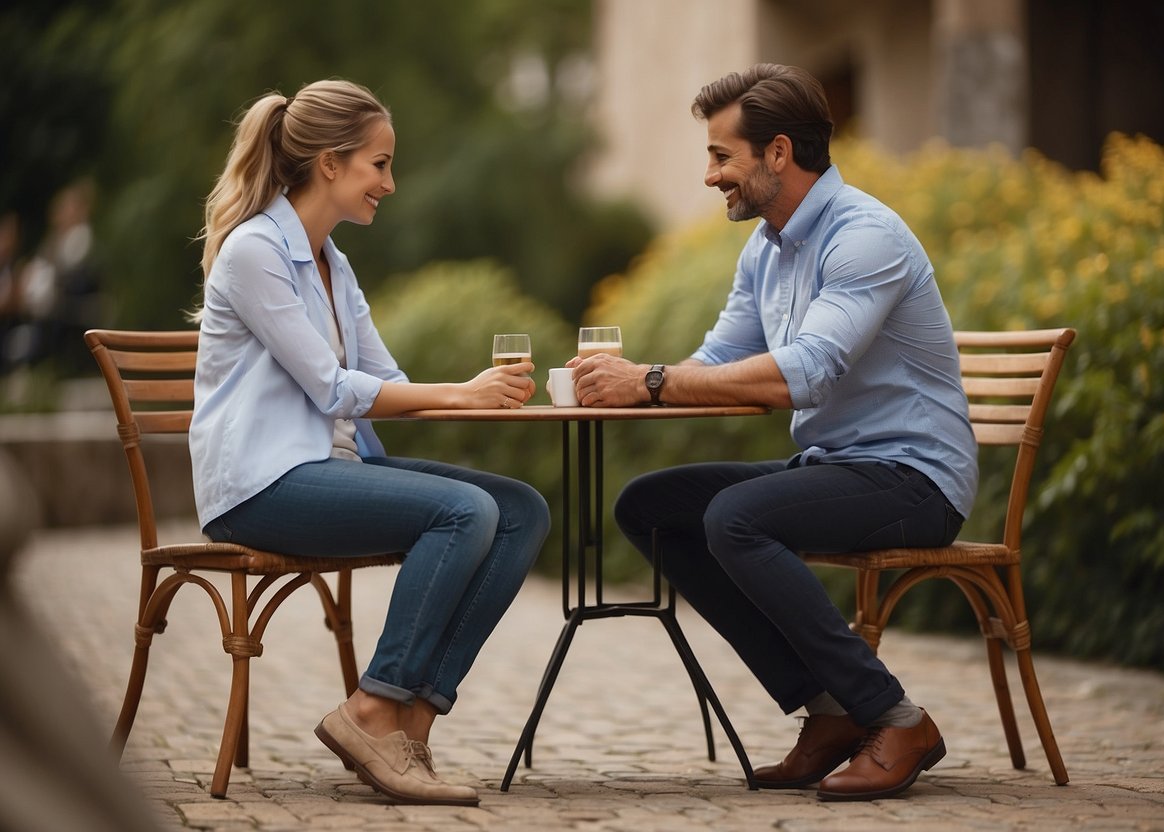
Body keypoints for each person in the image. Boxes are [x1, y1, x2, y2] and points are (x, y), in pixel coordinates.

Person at [570, 64, 977, 802]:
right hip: (833, 465)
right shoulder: (766, 247)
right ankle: (827, 712)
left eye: (721, 157)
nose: (708, 176)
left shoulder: (864, 237)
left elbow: (805, 374)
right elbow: (717, 362)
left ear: (778, 153)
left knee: (736, 518)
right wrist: (620, 387)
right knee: (651, 509)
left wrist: (654, 381)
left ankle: (894, 717)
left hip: (913, 477)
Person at [190, 79, 550, 806]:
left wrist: (482, 394)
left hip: (331, 468)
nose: (389, 182)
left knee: (520, 510)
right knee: (463, 511)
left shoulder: (333, 261)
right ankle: (369, 711)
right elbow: (332, 387)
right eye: (377, 165)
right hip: (260, 485)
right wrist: (458, 394)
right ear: (329, 163)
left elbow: (384, 379)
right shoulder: (255, 251)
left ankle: (408, 723)